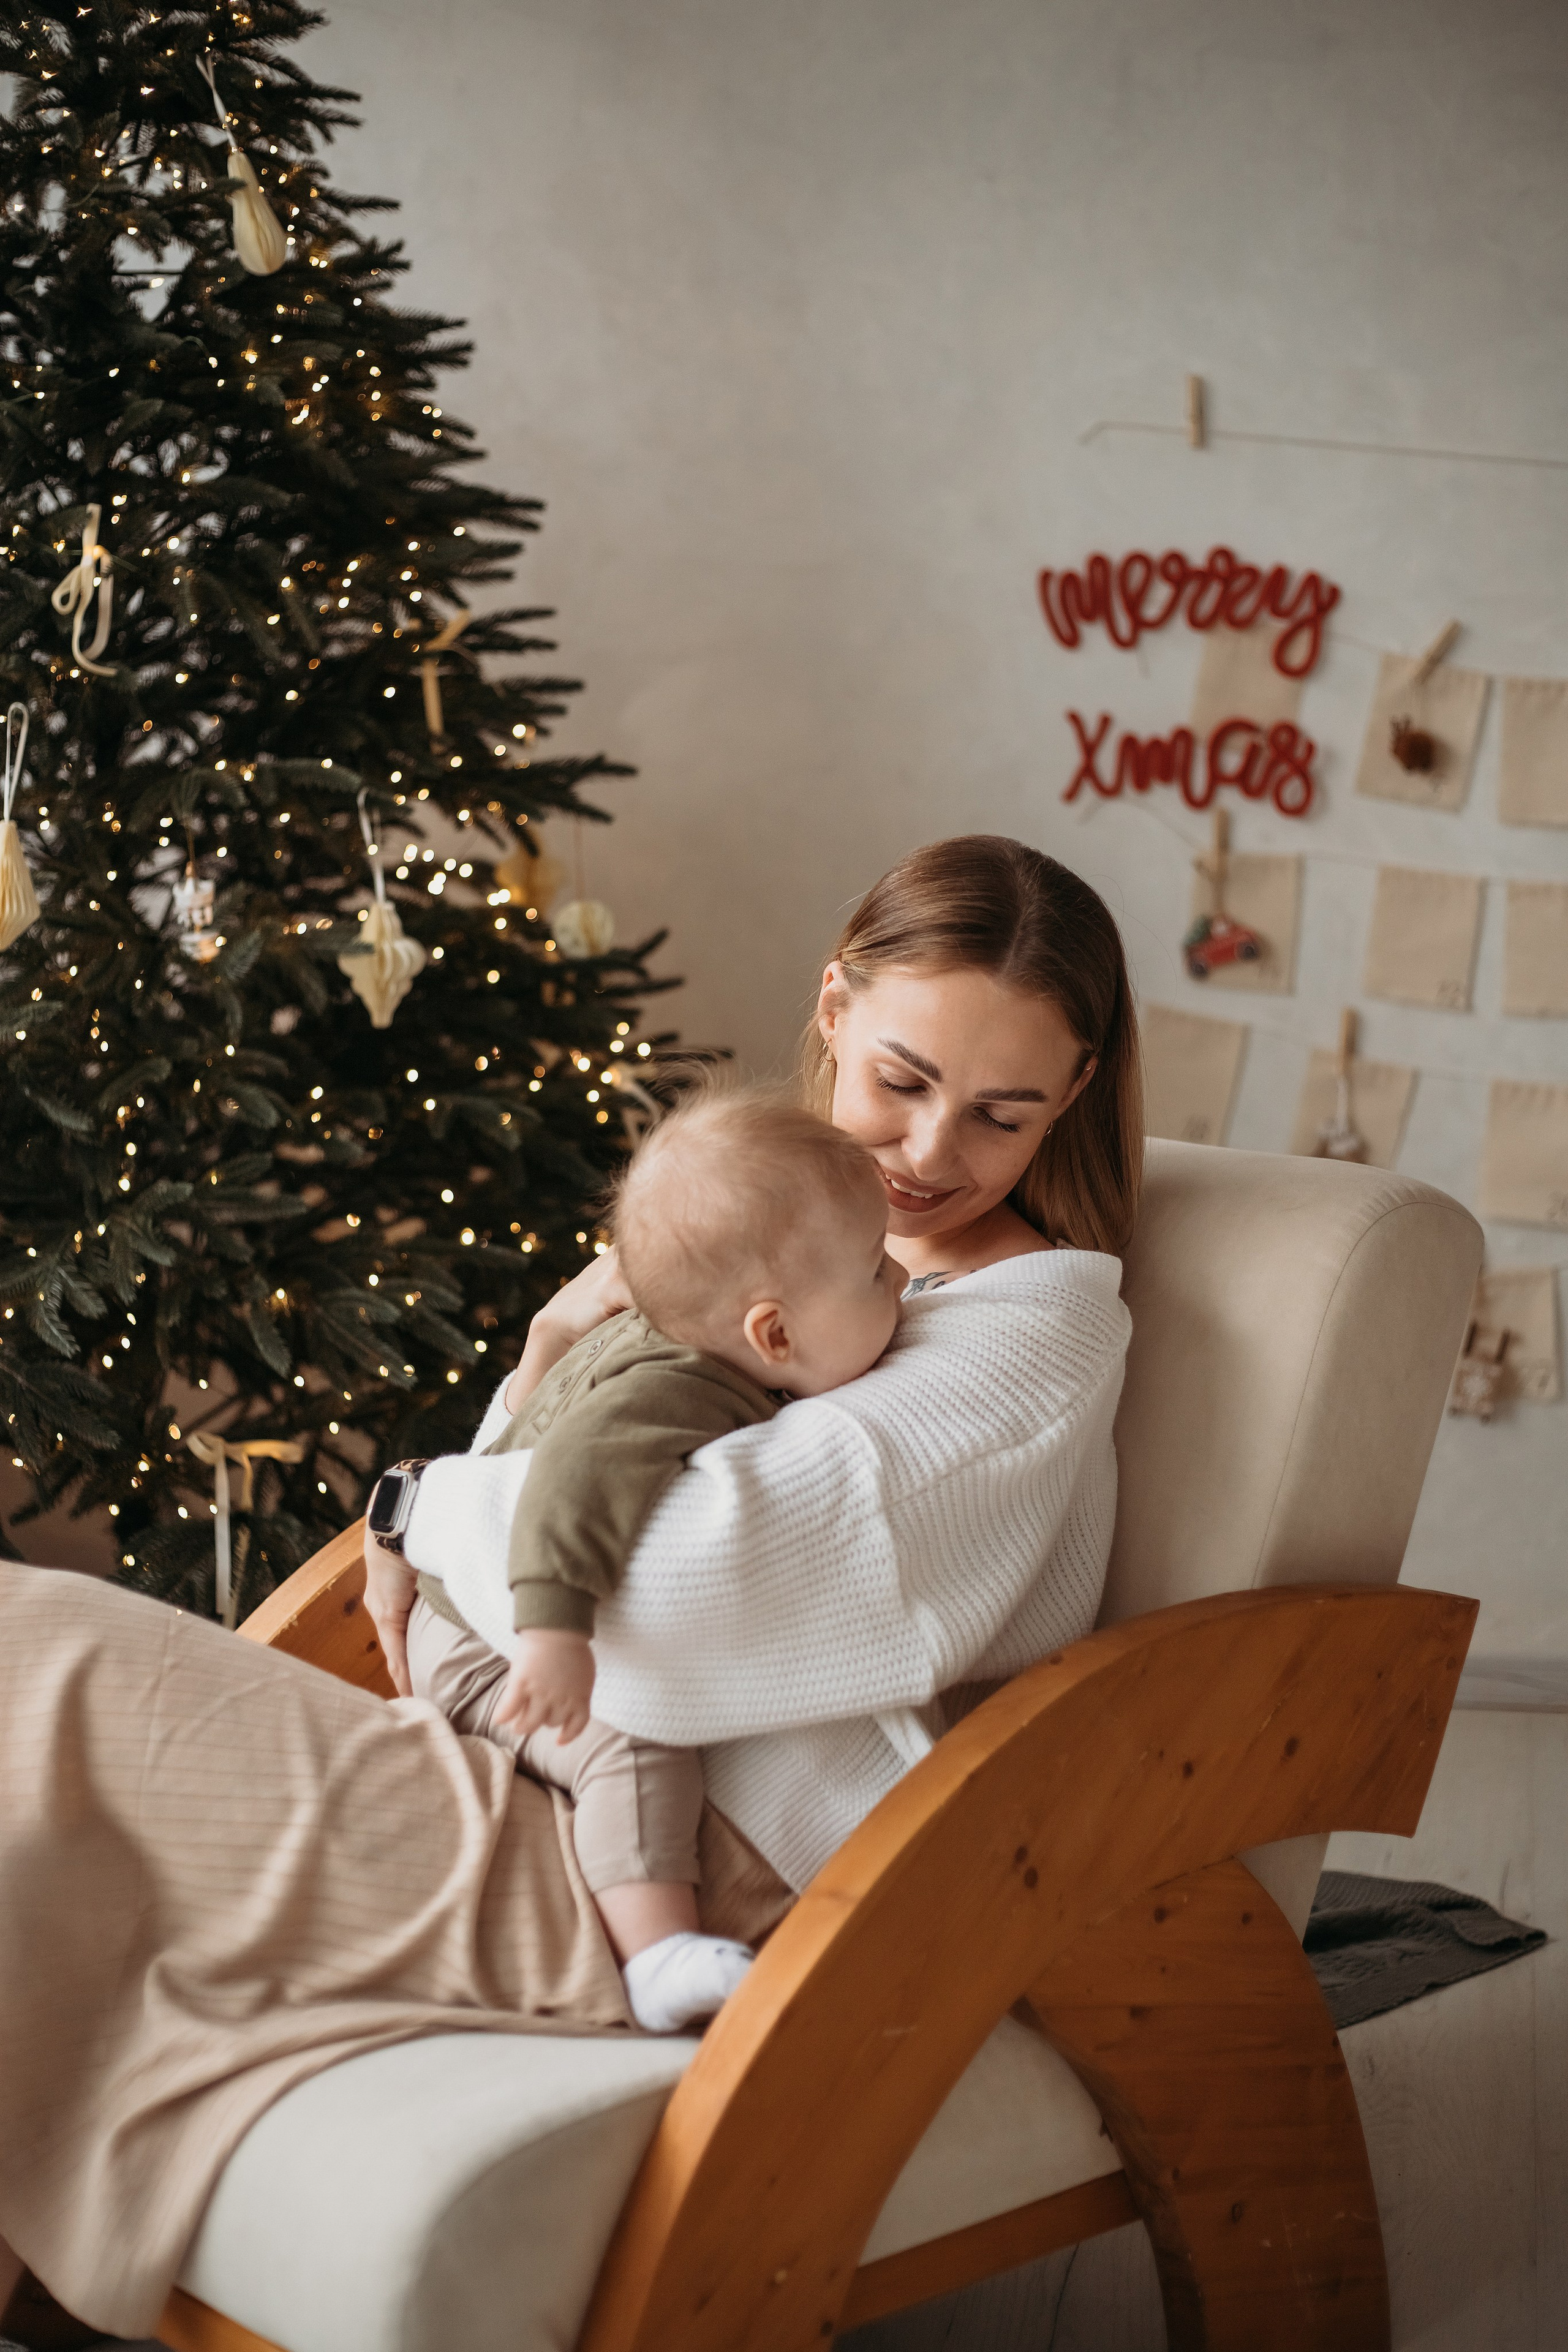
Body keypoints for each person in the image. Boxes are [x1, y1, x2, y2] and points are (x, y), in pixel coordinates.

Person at [0, 834, 1142, 2342]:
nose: (931, 1155)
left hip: (687, 1859)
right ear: (830, 1010)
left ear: (1070, 1095)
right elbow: (533, 1505)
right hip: (522, 1757)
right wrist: (545, 1354)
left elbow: (669, 1592)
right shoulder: (758, 1223)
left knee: (44, 1653)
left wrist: (415, 1499)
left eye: (1001, 1113)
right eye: (899, 1082)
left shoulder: (1028, 1330)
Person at [398, 1088, 905, 2032]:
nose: (904, 1286)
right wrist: (552, 1635)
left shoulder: (674, 1333)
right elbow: (568, 1483)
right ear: (775, 1335)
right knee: (636, 1743)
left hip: (467, 1610)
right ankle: (658, 1950)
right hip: (485, 1642)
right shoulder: (674, 1390)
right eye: (879, 1273)